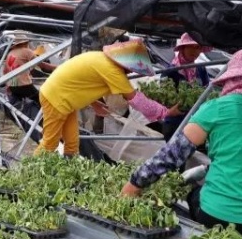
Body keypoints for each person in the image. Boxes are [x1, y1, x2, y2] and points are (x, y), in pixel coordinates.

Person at [121, 48, 242, 239]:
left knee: (192, 193)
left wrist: (135, 183)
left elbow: (172, 155)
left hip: (220, 216)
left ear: (231, 78)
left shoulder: (216, 108)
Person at [35, 39, 181, 157]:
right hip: (57, 100)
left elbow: (80, 83)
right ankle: (29, 176)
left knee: (72, 143)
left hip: (63, 97)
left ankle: (68, 173)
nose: (130, 73)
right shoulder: (112, 70)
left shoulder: (101, 58)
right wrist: (165, 113)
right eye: (131, 69)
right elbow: (137, 100)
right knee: (50, 143)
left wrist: (95, 104)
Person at [160, 33, 212, 141]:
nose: (195, 51)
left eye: (198, 48)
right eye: (190, 47)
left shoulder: (200, 69)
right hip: (175, 123)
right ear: (182, 48)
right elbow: (164, 97)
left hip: (195, 123)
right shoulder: (171, 71)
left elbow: (207, 90)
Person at [3, 31, 57, 105]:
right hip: (24, 85)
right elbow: (42, 65)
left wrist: (8, 85)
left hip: (12, 86)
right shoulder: (27, 51)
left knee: (17, 103)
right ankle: (44, 116)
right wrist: (57, 67)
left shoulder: (10, 53)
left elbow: (5, 71)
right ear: (25, 43)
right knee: (42, 101)